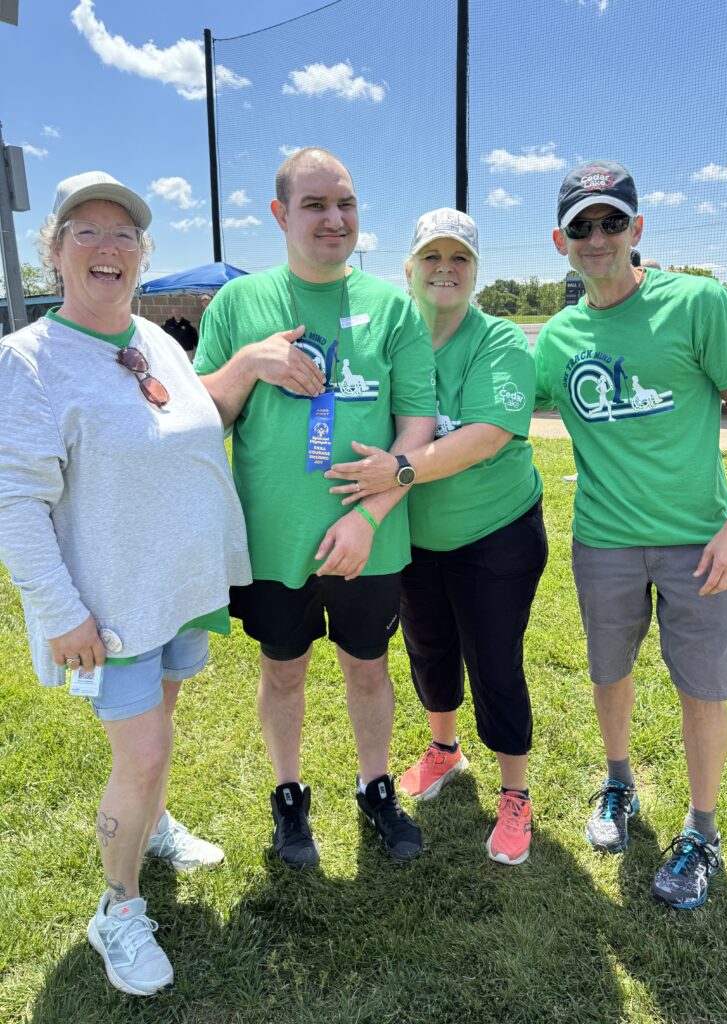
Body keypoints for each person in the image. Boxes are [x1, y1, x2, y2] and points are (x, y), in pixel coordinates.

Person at [0, 171, 251, 994]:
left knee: (164, 726)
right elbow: (14, 503)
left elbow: (192, 416)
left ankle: (150, 828)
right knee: (139, 753)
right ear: (55, 252)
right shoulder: (29, 361)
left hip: (173, 587)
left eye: (125, 235)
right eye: (87, 232)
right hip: (108, 609)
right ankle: (117, 908)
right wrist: (60, 612)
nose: (109, 247)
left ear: (143, 255)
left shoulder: (154, 342)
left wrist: (248, 366)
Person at [534, 160, 727, 908]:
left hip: (702, 540)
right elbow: (495, 409)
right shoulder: (557, 337)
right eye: (582, 226)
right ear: (560, 241)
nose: (597, 237)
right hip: (603, 539)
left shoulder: (696, 303)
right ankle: (618, 784)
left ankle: (702, 830)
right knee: (609, 671)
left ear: (638, 229)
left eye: (611, 222)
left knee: (702, 688)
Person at [194, 148, 436, 867]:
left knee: (368, 666)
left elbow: (417, 425)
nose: (334, 219)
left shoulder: (394, 307)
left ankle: (374, 786)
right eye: (315, 205)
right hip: (274, 540)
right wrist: (248, 366)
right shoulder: (240, 304)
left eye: (346, 204)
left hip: (373, 539)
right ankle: (290, 795)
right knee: (283, 669)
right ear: (280, 215)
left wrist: (368, 516)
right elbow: (205, 413)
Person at [326, 209, 547, 865]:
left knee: (494, 662)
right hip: (416, 537)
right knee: (428, 648)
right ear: (409, 269)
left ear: (476, 271)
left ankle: (515, 793)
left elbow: (484, 437)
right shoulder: (392, 339)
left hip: (495, 534)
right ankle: (445, 749)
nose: (444, 269)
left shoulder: (499, 340)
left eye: (459, 258)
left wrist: (396, 468)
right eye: (431, 257)